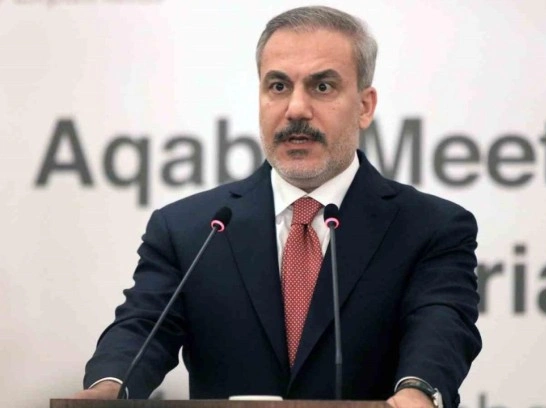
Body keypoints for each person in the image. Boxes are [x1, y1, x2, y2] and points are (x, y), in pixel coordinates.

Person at [73, 6, 481, 407]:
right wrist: (109, 388)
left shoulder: (431, 228)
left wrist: (417, 393)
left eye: (323, 87)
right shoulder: (189, 230)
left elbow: (441, 327)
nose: (296, 109)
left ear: (364, 106)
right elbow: (144, 326)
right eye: (279, 86)